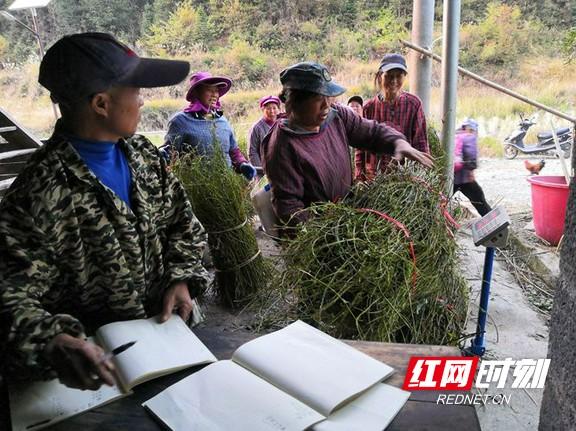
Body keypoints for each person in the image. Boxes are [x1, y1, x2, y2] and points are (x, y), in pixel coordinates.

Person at [0, 33, 210, 390]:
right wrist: (52, 342)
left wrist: (181, 278)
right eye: (136, 91)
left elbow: (183, 224)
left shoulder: (142, 156)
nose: (142, 102)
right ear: (101, 103)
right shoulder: (38, 194)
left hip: (173, 341)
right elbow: (9, 296)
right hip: (95, 377)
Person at [261, 62, 433, 232]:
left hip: (346, 217)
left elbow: (370, 131)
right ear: (294, 102)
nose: (326, 105)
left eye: (328, 97)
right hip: (321, 234)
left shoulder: (336, 116)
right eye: (318, 99)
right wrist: (324, 232)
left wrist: (398, 143)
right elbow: (289, 208)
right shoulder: (281, 145)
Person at [161, 71, 256, 181]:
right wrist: (163, 155)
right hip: (194, 187)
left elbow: (233, 151)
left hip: (225, 186)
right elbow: (170, 152)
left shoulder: (223, 121)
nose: (215, 94)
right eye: (209, 90)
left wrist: (242, 164)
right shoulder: (181, 121)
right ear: (197, 93)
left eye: (216, 91)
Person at [355, 53, 429, 182]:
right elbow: (360, 149)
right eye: (389, 76)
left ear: (404, 77)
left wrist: (421, 176)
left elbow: (420, 145)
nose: (394, 81)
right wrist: (359, 178)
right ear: (380, 77)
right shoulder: (368, 108)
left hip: (404, 180)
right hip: (374, 179)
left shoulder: (413, 104)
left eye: (399, 76)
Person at [453, 118, 492, 216]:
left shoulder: (454, 135)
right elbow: (471, 153)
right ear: (471, 129)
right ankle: (494, 223)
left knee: (441, 201)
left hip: (450, 176)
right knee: (479, 199)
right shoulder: (469, 137)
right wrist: (471, 171)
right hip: (464, 178)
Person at [248, 95, 281, 168]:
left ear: (278, 109)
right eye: (268, 108)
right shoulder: (256, 128)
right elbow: (252, 152)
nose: (272, 111)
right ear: (263, 110)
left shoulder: (282, 125)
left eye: (274, 108)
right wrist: (262, 170)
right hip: (264, 169)